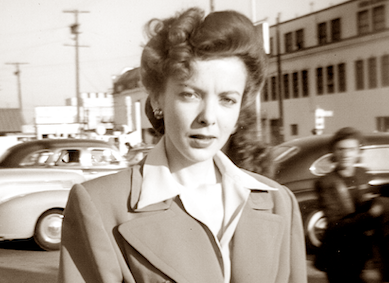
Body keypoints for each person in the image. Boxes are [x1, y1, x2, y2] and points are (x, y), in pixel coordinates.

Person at [58, 7, 307, 283]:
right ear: (156, 100)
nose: (208, 117)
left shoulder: (278, 202)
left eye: (227, 99)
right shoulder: (100, 204)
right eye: (190, 94)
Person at [315, 127, 389, 282]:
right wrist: (371, 214)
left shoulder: (363, 174)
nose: (346, 154)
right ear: (333, 152)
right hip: (339, 255)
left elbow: (364, 202)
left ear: (358, 152)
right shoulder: (326, 182)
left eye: (351, 149)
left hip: (361, 253)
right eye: (341, 149)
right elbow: (335, 225)